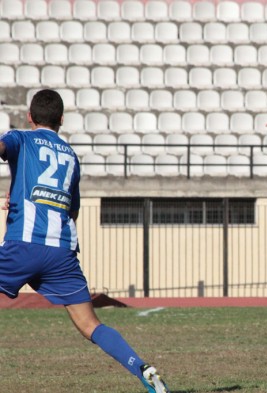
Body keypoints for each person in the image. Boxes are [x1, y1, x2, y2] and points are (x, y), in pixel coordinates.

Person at [0, 89, 169, 393]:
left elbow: (2, 146)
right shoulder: (70, 156)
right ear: (62, 119)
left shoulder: (20, 138)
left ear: (29, 116)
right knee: (90, 325)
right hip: (62, 252)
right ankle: (142, 368)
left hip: (23, 245)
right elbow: (71, 210)